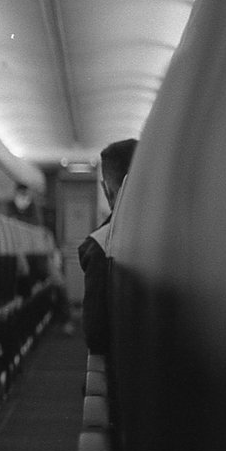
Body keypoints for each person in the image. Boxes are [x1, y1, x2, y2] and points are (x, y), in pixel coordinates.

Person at [77, 138, 138, 355]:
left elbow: (96, 335)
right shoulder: (184, 234)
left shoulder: (102, 245)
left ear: (106, 189)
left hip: (126, 377)